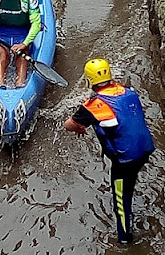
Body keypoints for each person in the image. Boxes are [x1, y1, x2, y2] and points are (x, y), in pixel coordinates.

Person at [64, 58, 155, 245]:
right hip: (145, 149)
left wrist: (84, 117)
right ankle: (130, 189)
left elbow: (69, 125)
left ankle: (124, 241)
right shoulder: (127, 91)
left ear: (89, 81)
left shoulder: (94, 106)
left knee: (120, 203)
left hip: (124, 159)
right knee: (129, 182)